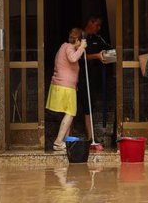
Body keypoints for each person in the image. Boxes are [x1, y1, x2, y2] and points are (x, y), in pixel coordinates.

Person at [46, 28, 87, 151]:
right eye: (82, 41)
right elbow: (73, 58)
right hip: (65, 86)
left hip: (64, 85)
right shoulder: (69, 47)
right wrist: (82, 48)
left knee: (68, 114)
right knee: (70, 113)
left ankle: (65, 141)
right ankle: (58, 142)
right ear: (78, 40)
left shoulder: (63, 47)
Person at [78, 15, 115, 143]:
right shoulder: (79, 36)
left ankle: (90, 138)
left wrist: (107, 55)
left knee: (89, 105)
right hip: (77, 76)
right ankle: (68, 139)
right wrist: (96, 56)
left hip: (92, 76)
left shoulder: (98, 38)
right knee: (71, 108)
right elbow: (78, 56)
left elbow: (111, 51)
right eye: (97, 25)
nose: (99, 28)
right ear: (90, 22)